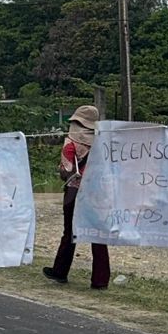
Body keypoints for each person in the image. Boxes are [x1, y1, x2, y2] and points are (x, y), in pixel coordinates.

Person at [44, 106, 111, 289]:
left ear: (77, 122)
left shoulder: (71, 142)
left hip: (75, 191)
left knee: (70, 232)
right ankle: (100, 280)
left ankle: (60, 271)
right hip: (97, 192)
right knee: (97, 235)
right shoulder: (103, 142)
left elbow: (66, 170)